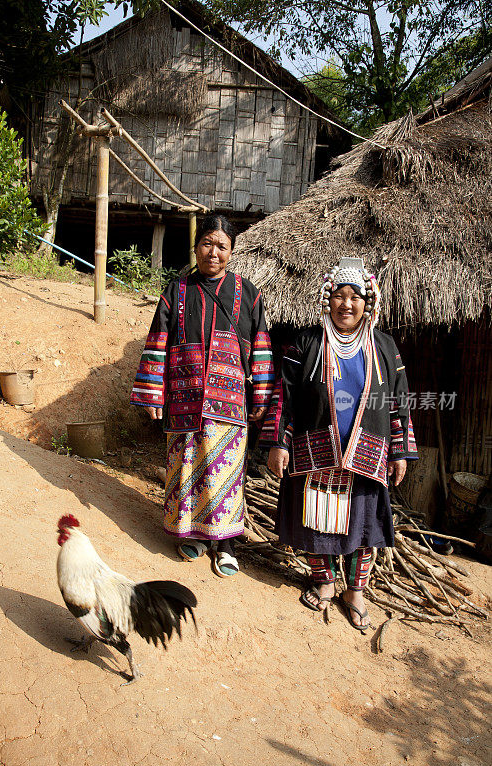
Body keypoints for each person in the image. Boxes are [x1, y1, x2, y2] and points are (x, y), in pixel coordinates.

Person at [265, 258, 417, 630]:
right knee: (317, 517)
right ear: (326, 299)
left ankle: (356, 592)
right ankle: (325, 582)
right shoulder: (307, 342)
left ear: (369, 303)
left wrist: (399, 450)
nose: (347, 304)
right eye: (339, 296)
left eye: (355, 297)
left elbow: (399, 400)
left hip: (368, 453)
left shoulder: (384, 346)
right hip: (315, 449)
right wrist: (278, 443)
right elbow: (284, 396)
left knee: (363, 524)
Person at [130, 215, 274, 577]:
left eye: (222, 246)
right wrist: (151, 393)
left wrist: (260, 396)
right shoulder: (176, 292)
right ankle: (191, 534)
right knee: (187, 471)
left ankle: (224, 545)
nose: (214, 252)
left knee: (224, 476)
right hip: (184, 399)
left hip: (229, 403)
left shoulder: (249, 294)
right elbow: (157, 343)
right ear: (196, 247)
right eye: (208, 243)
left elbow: (260, 348)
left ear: (232, 251)